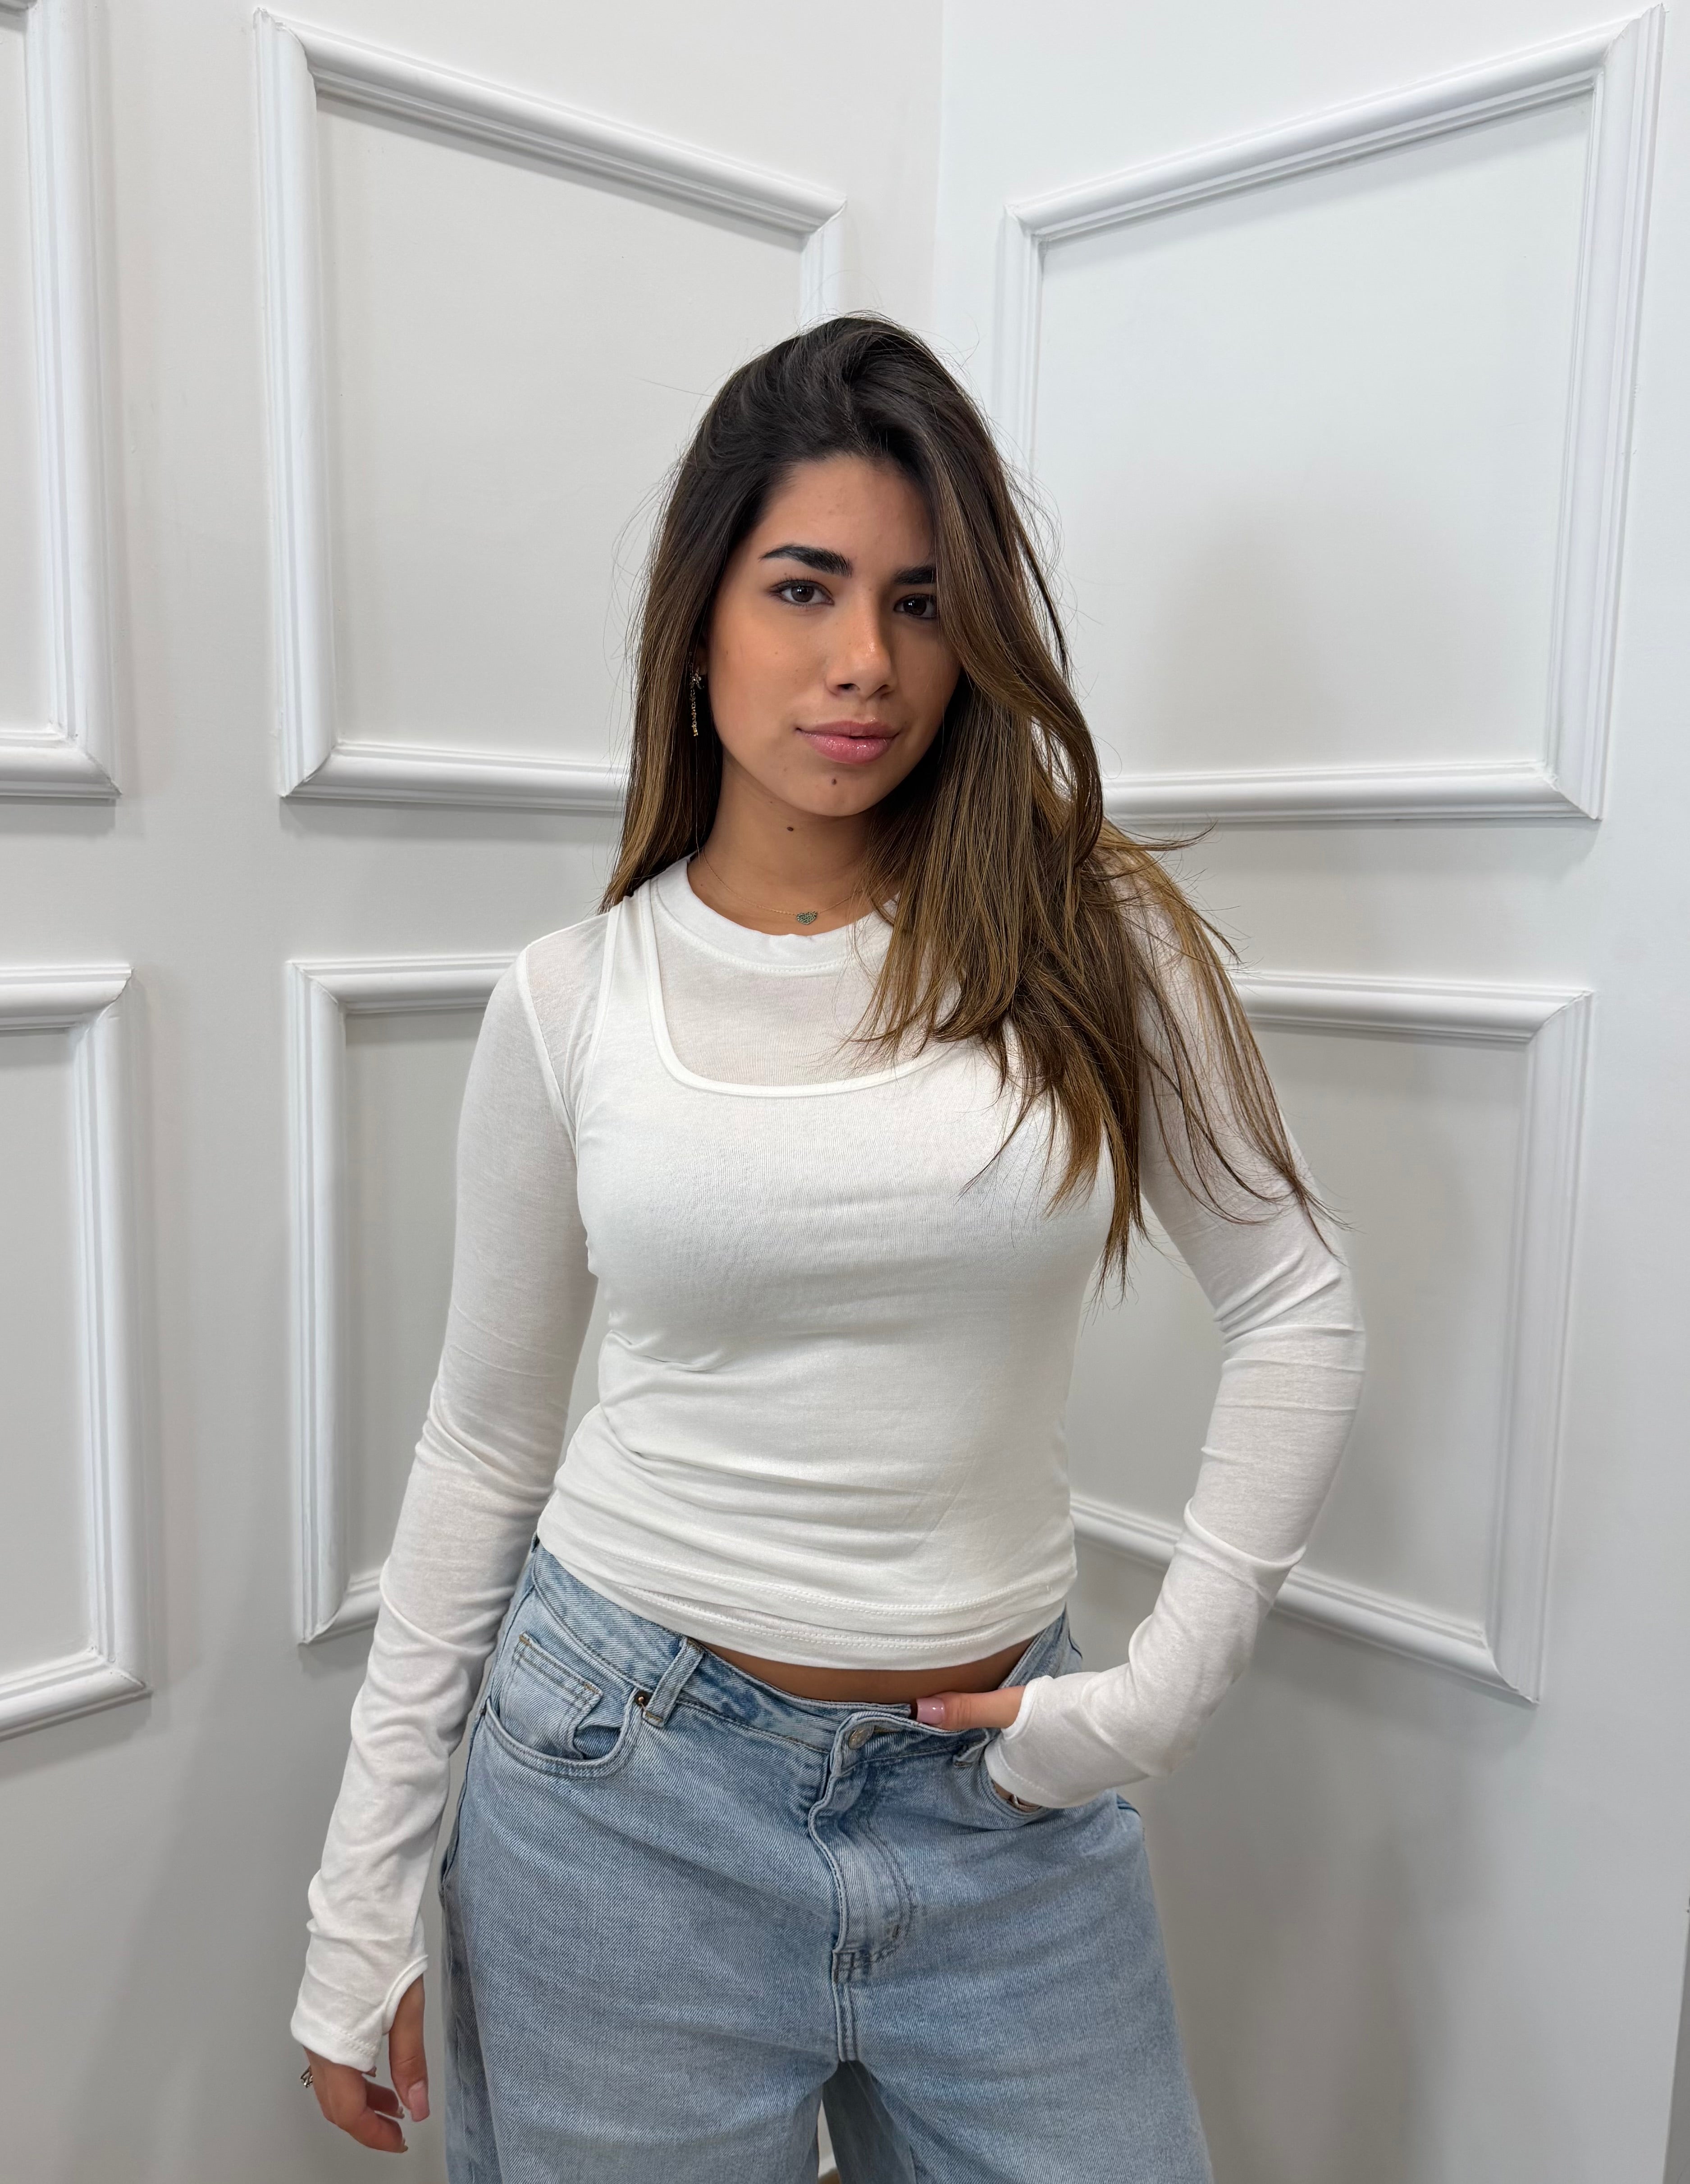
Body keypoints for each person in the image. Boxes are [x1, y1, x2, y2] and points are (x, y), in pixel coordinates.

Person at [292, 314, 1365, 2181]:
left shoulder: (1083, 936)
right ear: (700, 615)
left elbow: (1296, 1306)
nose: (865, 658)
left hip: (1003, 1811)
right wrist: (357, 1896)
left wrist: (1151, 1700)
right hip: (623, 1796)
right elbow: (483, 1443)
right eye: (804, 588)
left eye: (921, 603)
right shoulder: (573, 1002)